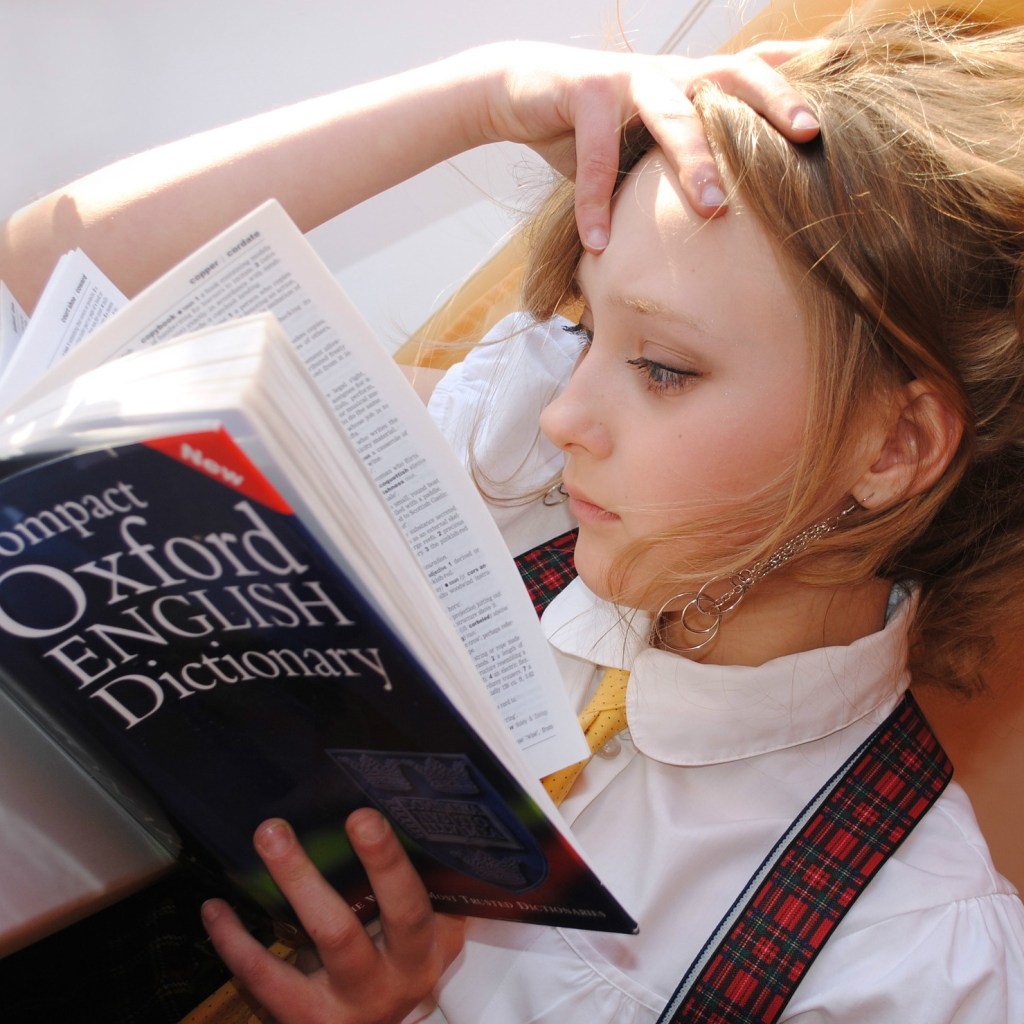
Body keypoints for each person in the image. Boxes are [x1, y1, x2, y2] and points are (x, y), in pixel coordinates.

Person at [5, 9, 1024, 1024]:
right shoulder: (513, 485)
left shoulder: (915, 965)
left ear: (892, 450)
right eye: (587, 326)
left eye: (662, 368)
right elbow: (57, 280)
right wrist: (479, 97)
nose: (564, 412)